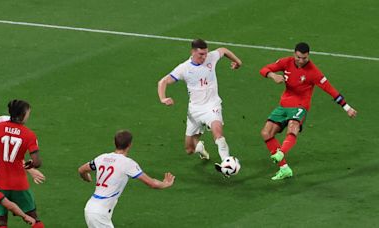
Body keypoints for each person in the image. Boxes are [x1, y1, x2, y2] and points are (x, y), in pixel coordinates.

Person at [259, 42, 357, 180]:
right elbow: (263, 69)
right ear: (294, 54)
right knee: (266, 133)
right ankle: (284, 168)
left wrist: (347, 107)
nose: (301, 60)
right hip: (283, 106)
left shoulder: (313, 72)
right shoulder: (286, 62)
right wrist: (273, 75)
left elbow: (330, 89)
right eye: (299, 57)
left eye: (304, 58)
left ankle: (281, 152)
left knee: (293, 127)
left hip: (300, 106)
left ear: (308, 56)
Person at [157, 38, 242, 176]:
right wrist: (163, 98)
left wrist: (238, 62)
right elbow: (163, 81)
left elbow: (223, 50)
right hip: (195, 111)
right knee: (189, 149)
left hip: (212, 105)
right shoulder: (184, 68)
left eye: (205, 53)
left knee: (218, 132)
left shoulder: (211, 58)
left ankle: (226, 163)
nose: (204, 57)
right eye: (201, 54)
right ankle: (200, 147)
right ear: (193, 52)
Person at [78, 130, 175, 228]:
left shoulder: (102, 158)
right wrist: (165, 184)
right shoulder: (127, 163)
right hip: (100, 213)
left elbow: (82, 170)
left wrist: (86, 178)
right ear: (130, 144)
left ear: (114, 142)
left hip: (91, 207)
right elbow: (152, 183)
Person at [0, 100, 45, 227]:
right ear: (22, 115)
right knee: (33, 217)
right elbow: (36, 162)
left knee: (1, 220)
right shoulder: (29, 134)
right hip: (18, 182)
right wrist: (31, 166)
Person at [0, 115, 45, 184]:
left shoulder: (3, 118)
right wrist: (31, 170)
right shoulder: (9, 132)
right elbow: (10, 155)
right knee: (3, 187)